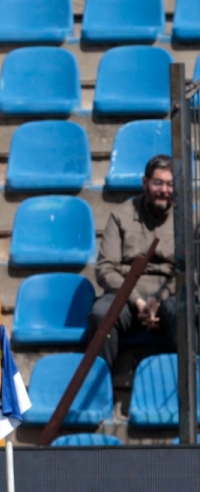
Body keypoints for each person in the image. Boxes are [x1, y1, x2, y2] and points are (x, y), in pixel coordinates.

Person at [87, 155, 177, 368]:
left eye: (170, 184)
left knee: (182, 312)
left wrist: (160, 299)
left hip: (169, 295)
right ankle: (103, 390)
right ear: (145, 182)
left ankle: (185, 391)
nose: (164, 190)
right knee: (101, 314)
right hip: (127, 296)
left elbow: (190, 271)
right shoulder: (121, 215)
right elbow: (105, 268)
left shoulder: (187, 219)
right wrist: (137, 300)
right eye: (157, 183)